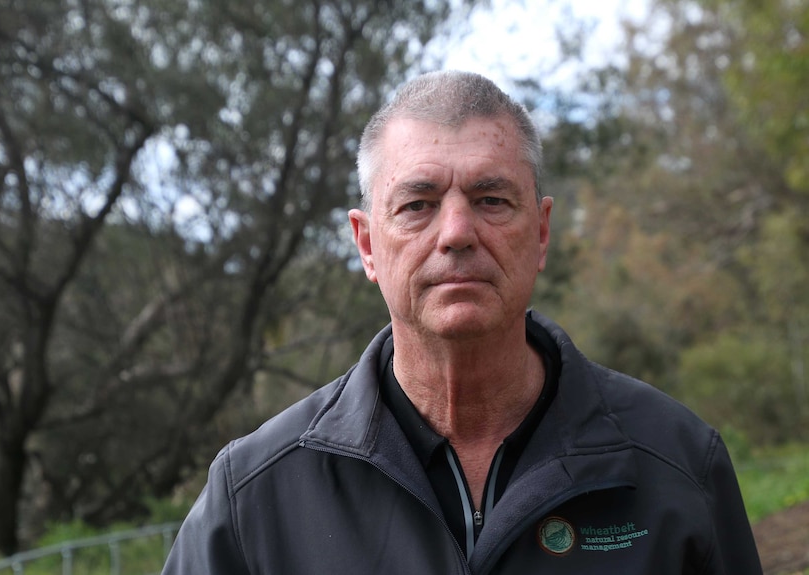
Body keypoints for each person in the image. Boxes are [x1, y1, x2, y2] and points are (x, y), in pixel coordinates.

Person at [161, 70, 762, 574]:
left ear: (542, 233)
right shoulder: (254, 496)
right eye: (417, 204)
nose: (456, 234)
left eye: (491, 200)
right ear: (367, 245)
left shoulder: (677, 462)